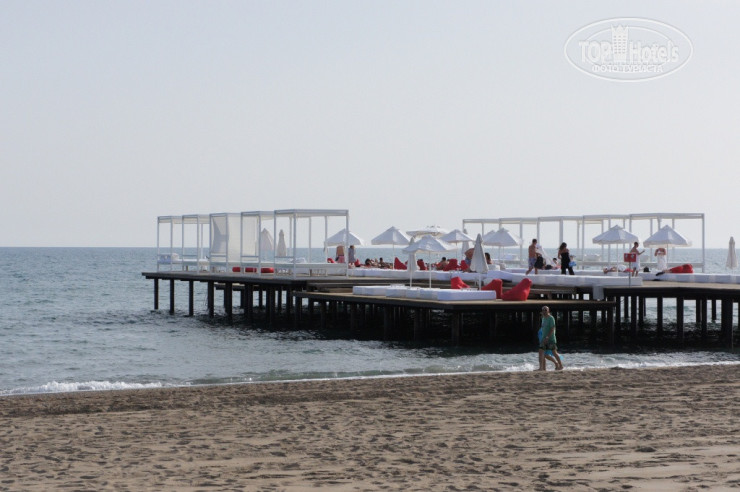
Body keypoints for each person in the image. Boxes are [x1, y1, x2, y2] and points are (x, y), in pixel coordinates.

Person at [538, 306, 563, 371]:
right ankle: (541, 368)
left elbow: (552, 328)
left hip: (550, 339)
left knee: (554, 352)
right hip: (543, 339)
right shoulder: (543, 318)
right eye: (543, 310)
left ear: (548, 311)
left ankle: (560, 365)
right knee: (541, 352)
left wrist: (547, 337)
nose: (544, 311)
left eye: (545, 310)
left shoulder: (551, 318)